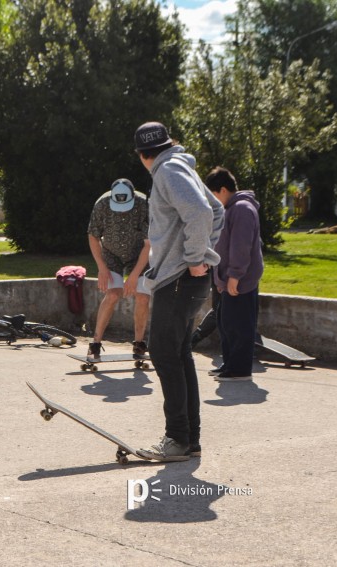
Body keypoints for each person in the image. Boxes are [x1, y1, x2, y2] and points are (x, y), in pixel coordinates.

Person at [132, 122, 224, 462]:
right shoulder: (180, 165)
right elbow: (217, 210)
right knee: (179, 353)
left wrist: (197, 257)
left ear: (143, 156)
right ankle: (189, 439)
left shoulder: (168, 170)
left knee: (164, 353)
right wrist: (201, 255)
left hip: (179, 278)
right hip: (187, 277)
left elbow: (201, 212)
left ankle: (177, 440)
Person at [206, 167, 264, 382]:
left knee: (239, 325)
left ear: (222, 190)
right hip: (229, 278)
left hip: (240, 280)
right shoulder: (230, 209)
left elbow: (241, 246)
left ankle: (240, 369)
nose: (211, 201)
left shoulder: (241, 208)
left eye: (212, 195)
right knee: (226, 322)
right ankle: (230, 364)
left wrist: (234, 275)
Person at [86, 178, 151, 362]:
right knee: (113, 294)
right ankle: (95, 344)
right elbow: (93, 236)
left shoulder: (144, 204)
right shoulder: (102, 204)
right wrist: (101, 267)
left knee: (143, 295)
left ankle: (139, 344)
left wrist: (134, 276)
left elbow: (148, 244)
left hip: (138, 254)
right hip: (111, 254)